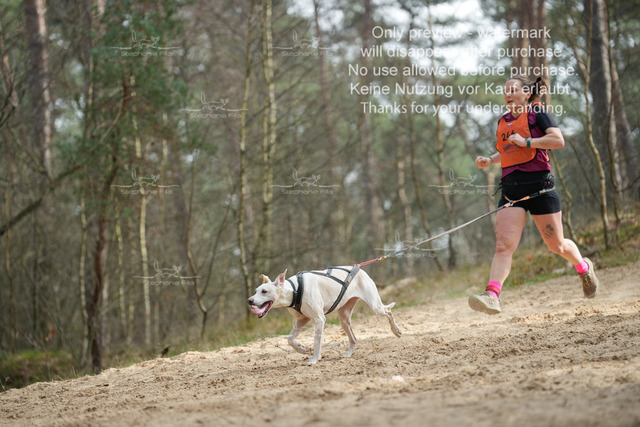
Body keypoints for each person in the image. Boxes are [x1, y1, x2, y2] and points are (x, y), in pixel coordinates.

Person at [468, 75, 599, 315]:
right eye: (505, 91)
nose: (508, 95)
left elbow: (558, 140)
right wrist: (489, 160)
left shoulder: (537, 113)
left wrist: (527, 141)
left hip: (540, 189)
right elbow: (508, 151)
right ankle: (492, 295)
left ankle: (583, 267)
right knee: (503, 245)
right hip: (512, 192)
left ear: (526, 94)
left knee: (557, 245)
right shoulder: (503, 121)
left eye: (513, 90)